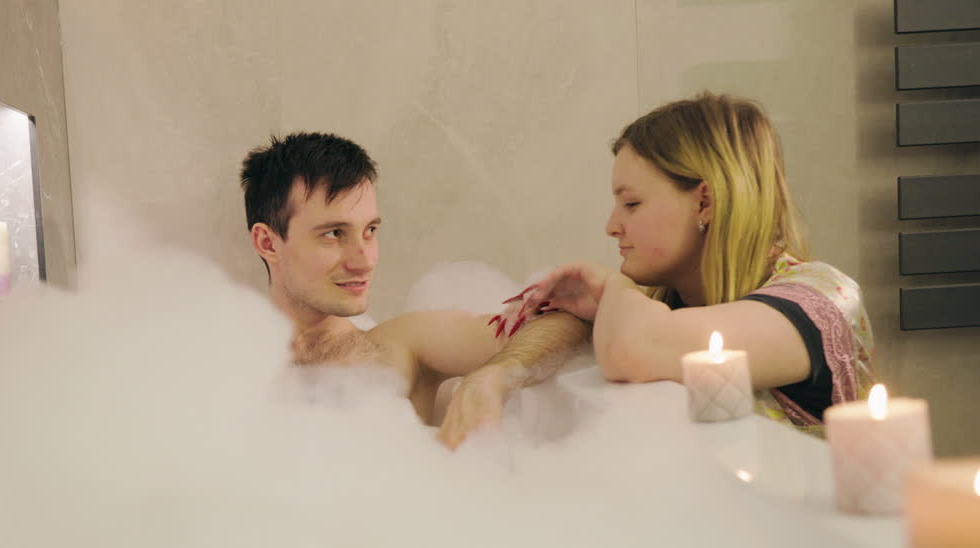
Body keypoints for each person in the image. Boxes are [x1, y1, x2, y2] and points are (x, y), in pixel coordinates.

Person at [494, 93, 874, 435]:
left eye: (632, 204)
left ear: (704, 203)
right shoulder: (661, 303)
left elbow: (632, 348)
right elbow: (471, 337)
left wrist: (615, 287)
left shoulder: (821, 299)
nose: (612, 227)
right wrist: (494, 375)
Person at [240, 132, 588, 448]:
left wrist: (493, 377)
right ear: (268, 243)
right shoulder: (226, 365)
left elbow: (570, 322)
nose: (364, 260)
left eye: (370, 230)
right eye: (334, 234)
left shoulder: (403, 345)